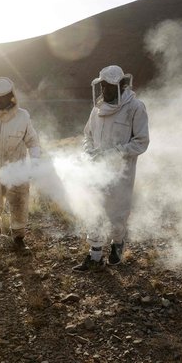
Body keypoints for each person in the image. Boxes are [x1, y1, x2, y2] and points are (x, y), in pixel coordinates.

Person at [73, 65, 149, 272]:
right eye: (102, 86)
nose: (103, 91)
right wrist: (89, 151)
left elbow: (141, 142)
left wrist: (114, 153)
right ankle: (95, 255)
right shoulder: (96, 110)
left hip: (121, 171)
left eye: (108, 87)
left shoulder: (135, 108)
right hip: (96, 170)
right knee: (94, 207)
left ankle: (117, 244)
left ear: (121, 86)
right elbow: (87, 136)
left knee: (117, 210)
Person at [0, 77, 41, 256]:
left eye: (4, 97)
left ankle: (19, 239)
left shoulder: (23, 116)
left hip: (18, 169)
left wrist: (34, 163)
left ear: (11, 96)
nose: (0, 102)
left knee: (19, 202)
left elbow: (33, 143)